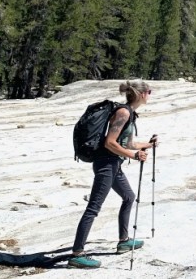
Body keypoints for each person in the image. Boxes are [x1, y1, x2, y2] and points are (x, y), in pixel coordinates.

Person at [68, 80, 159, 269]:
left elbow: (126, 143)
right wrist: (134, 155)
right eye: (149, 91)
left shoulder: (130, 113)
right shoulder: (123, 112)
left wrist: (148, 145)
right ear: (141, 94)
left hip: (114, 164)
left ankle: (123, 241)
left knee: (129, 197)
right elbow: (110, 143)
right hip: (106, 164)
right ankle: (77, 254)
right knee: (93, 208)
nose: (150, 95)